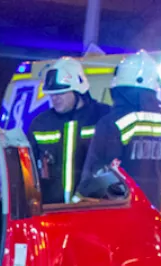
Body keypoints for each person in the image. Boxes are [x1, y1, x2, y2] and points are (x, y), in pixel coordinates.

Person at [79, 50, 161, 229]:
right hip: (149, 218)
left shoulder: (113, 122)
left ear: (118, 87)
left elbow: (97, 173)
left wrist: (78, 203)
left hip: (116, 219)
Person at [28, 57, 111, 204]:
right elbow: (28, 169)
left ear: (78, 91)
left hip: (93, 208)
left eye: (61, 93)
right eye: (52, 94)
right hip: (52, 209)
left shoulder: (102, 117)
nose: (55, 98)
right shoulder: (41, 123)